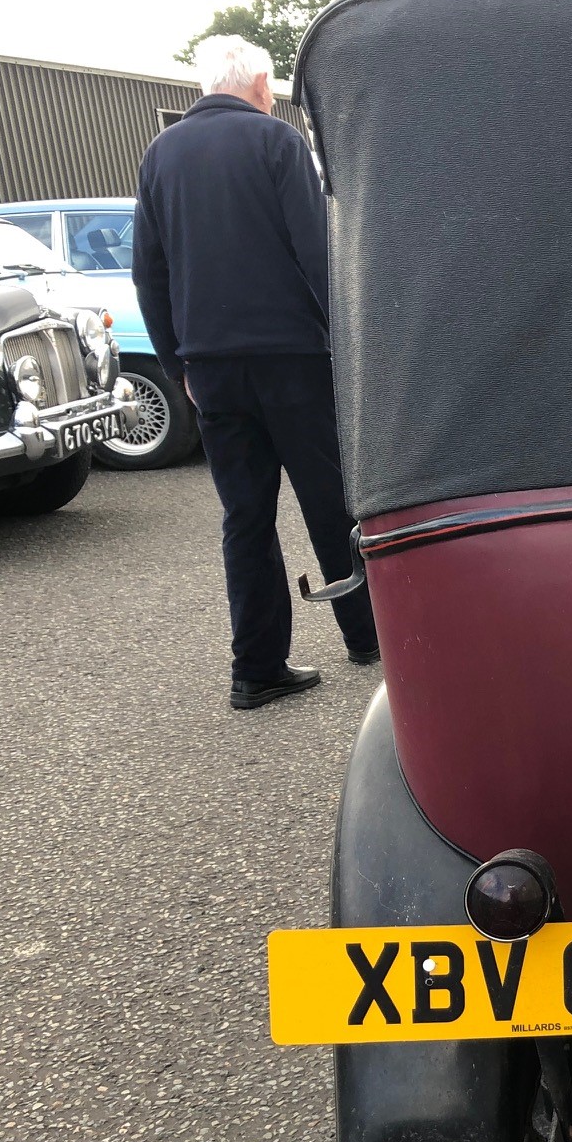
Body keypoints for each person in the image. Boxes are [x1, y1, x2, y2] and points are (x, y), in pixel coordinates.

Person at [132, 35, 378, 709]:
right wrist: (350, 342)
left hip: (209, 366)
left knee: (245, 516)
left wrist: (174, 359)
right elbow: (316, 249)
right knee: (329, 501)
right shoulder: (275, 142)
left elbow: (148, 271)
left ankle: (257, 668)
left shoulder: (161, 154)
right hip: (290, 359)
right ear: (261, 82)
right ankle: (365, 635)